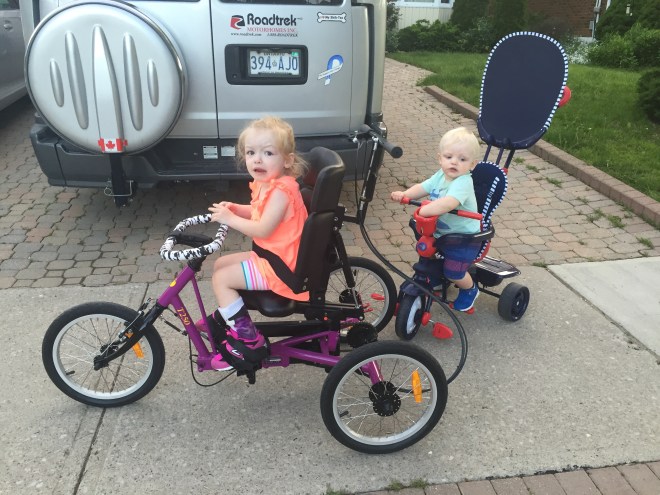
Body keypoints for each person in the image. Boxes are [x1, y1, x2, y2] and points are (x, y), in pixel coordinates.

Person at [206, 116, 308, 371]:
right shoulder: (268, 185)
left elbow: (263, 228)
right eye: (251, 152)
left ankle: (249, 340)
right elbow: (257, 211)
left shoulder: (281, 192)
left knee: (221, 279)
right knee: (220, 264)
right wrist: (235, 208)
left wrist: (230, 219)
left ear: (287, 160)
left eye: (268, 153)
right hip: (270, 256)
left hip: (280, 267)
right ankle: (230, 315)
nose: (257, 160)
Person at [391, 127, 482, 312]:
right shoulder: (441, 175)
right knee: (428, 253)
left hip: (463, 239)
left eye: (462, 159)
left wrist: (425, 210)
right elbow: (423, 187)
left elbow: (448, 203)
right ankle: (435, 277)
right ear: (440, 158)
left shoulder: (463, 182)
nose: (454, 162)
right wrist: (405, 194)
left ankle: (470, 289)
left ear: (472, 165)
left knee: (454, 272)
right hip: (442, 233)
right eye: (449, 157)